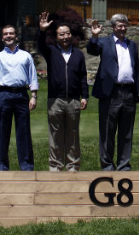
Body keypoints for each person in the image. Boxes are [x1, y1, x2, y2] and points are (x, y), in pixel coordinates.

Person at [87, 14, 139, 171]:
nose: (123, 28)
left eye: (125, 25)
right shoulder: (104, 42)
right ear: (113, 27)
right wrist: (94, 35)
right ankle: (107, 165)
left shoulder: (132, 45)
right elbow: (91, 50)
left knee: (126, 133)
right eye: (119, 25)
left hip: (129, 93)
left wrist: (138, 90)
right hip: (110, 93)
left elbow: (136, 69)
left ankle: (124, 166)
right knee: (107, 132)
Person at [0, 25, 39, 171]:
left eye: (11, 33)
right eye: (5, 34)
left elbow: (32, 77)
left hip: (21, 95)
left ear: (16, 36)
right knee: (3, 131)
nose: (8, 36)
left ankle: (26, 167)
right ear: (2, 37)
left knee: (24, 132)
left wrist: (33, 96)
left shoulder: (25, 55)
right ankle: (2, 167)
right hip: (4, 95)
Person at [38, 12, 89, 171]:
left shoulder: (78, 55)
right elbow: (40, 45)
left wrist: (85, 96)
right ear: (56, 37)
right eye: (62, 34)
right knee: (56, 136)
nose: (66, 36)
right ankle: (56, 167)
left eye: (68, 33)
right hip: (55, 100)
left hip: (73, 100)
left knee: (73, 136)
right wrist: (41, 31)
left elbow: (83, 77)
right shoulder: (51, 51)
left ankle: (73, 167)